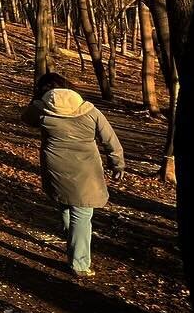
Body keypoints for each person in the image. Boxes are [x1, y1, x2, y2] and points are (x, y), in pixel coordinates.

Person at [20, 71, 125, 277]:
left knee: (67, 206)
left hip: (55, 167)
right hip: (87, 171)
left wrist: (37, 102)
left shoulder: (42, 110)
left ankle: (74, 247)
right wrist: (117, 164)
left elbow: (26, 118)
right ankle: (79, 264)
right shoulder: (90, 111)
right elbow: (110, 139)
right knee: (82, 213)